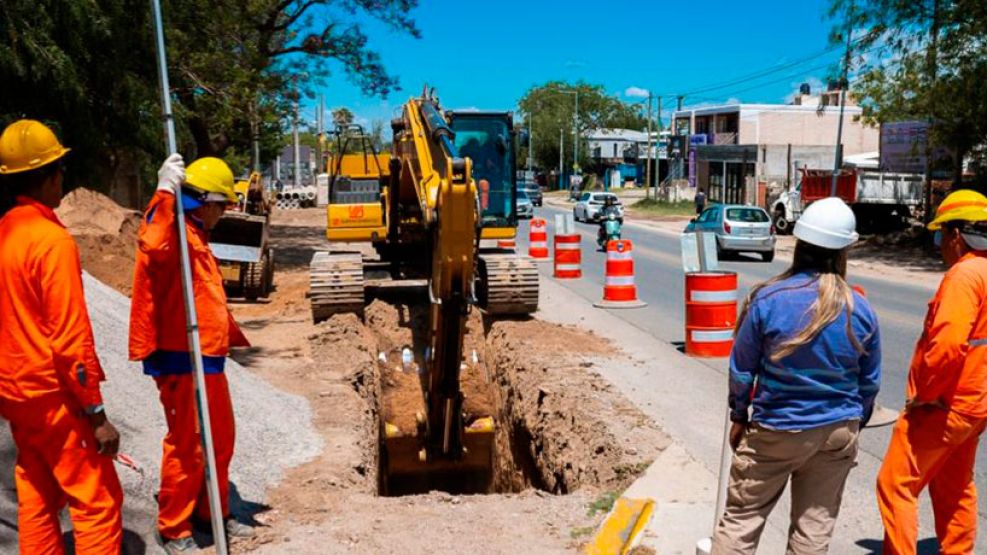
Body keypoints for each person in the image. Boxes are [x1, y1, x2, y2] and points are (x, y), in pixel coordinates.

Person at [712, 197, 881, 554]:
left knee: (742, 521)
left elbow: (742, 371)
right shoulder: (860, 308)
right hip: (836, 432)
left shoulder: (768, 299)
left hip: (777, 430)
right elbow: (869, 384)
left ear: (799, 243)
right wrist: (852, 424)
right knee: (812, 534)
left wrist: (739, 416)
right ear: (843, 252)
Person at [0, 119, 124, 554]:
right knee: (97, 500)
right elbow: (70, 337)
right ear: (49, 175)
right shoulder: (51, 241)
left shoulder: (5, 234)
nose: (63, 181)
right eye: (60, 172)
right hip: (55, 396)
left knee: (35, 494)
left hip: (16, 394)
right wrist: (96, 414)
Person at [129, 155, 253, 553]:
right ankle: (174, 527)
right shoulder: (171, 231)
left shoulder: (196, 235)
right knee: (187, 443)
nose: (225, 213)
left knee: (219, 439)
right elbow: (152, 243)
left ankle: (210, 513)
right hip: (180, 356)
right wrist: (164, 192)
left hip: (208, 355)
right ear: (207, 201)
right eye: (223, 205)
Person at [876, 189, 987, 555]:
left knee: (896, 485)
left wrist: (925, 396)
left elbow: (948, 346)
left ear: (957, 236)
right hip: (975, 406)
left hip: (943, 405)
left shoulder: (964, 276)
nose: (938, 244)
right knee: (954, 487)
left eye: (940, 235)